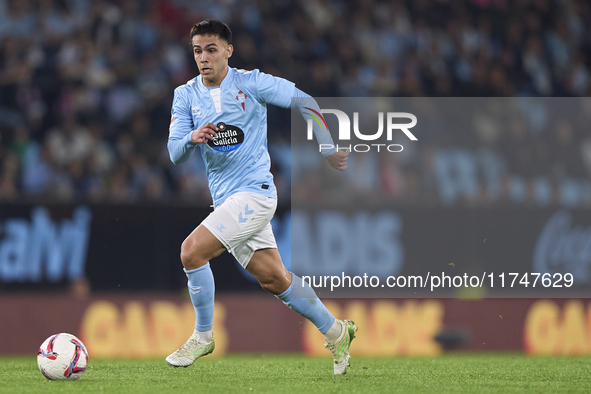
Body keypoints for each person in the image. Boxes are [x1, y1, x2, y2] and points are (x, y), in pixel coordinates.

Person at [166, 19, 355, 375]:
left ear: (227, 51)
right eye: (197, 51)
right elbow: (174, 152)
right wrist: (192, 138)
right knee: (275, 279)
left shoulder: (251, 83)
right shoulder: (185, 95)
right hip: (226, 203)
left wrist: (327, 147)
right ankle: (336, 331)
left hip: (255, 194)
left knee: (191, 252)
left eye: (210, 49)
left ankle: (203, 335)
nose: (203, 58)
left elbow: (305, 100)